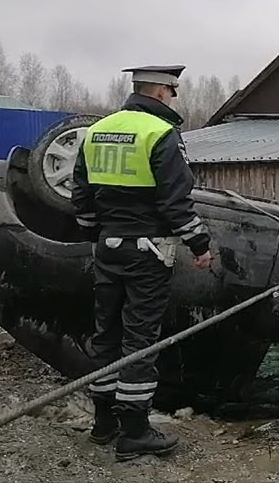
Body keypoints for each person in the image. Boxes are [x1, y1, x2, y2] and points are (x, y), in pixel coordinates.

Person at [71, 65, 213, 462]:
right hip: (148, 252)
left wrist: (94, 234)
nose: (174, 98)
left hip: (107, 248)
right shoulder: (161, 134)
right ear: (163, 91)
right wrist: (200, 244)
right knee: (139, 340)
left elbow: (80, 195)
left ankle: (103, 423)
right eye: (173, 91)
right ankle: (134, 431)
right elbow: (176, 202)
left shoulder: (97, 131)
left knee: (106, 334)